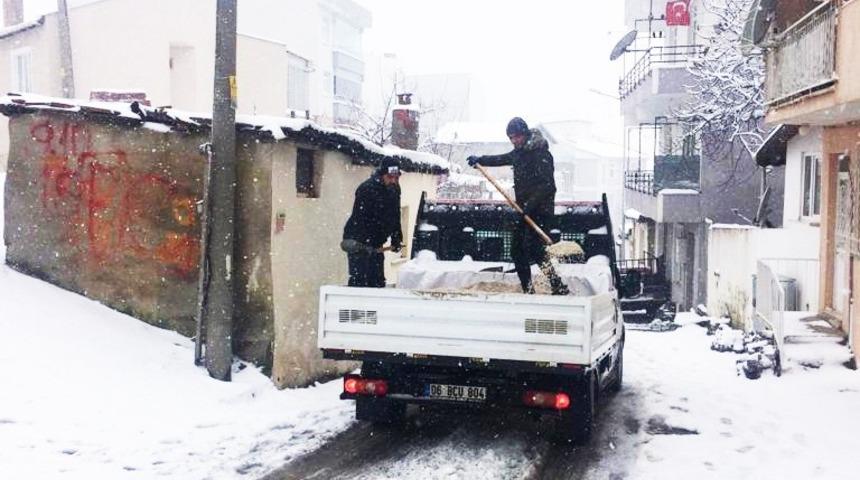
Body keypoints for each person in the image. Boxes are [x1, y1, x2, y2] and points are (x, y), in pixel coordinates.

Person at [468, 117, 569, 295]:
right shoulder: (519, 153)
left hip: (540, 210)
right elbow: (502, 158)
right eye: (511, 138)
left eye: (516, 137)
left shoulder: (541, 154)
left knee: (535, 249)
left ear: (525, 134)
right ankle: (528, 290)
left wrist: (529, 206)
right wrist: (480, 160)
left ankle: (557, 286)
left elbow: (548, 186)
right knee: (516, 250)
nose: (514, 141)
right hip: (523, 210)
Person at [341, 158, 403, 287]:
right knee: (360, 281)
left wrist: (396, 237)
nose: (393, 181)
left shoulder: (395, 189)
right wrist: (366, 246)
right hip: (358, 241)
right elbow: (362, 218)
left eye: (396, 178)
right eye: (390, 177)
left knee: (377, 281)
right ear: (382, 174)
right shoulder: (367, 189)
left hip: (376, 243)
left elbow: (395, 214)